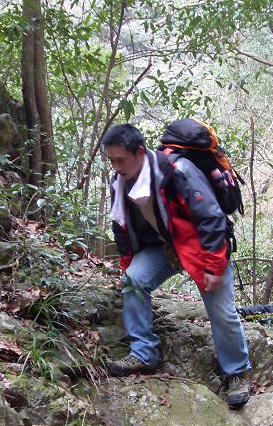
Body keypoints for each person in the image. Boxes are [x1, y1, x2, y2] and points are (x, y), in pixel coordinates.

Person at [103, 123, 252, 409]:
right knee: (134, 280)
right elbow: (120, 227)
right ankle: (143, 352)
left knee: (222, 312)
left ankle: (236, 372)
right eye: (111, 160)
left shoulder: (178, 171)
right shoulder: (118, 183)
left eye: (120, 159)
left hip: (202, 247)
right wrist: (127, 264)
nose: (116, 166)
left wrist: (213, 267)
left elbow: (211, 218)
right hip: (163, 247)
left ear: (140, 153)